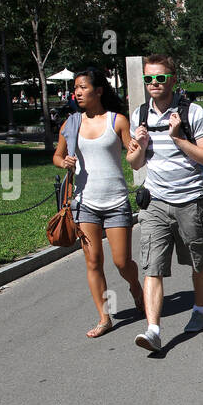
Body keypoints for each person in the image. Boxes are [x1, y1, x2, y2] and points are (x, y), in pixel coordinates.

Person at [126, 56, 203, 352]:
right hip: (154, 202)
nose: (153, 84)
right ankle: (153, 330)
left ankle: (200, 310)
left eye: (160, 78)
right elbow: (135, 163)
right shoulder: (140, 114)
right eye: (149, 79)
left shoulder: (192, 112)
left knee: (198, 261)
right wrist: (140, 146)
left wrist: (177, 138)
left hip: (190, 201)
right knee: (152, 266)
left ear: (173, 79)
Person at [53, 65, 143, 339]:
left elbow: (132, 153)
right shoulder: (71, 124)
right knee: (93, 261)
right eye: (75, 88)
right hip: (84, 203)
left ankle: (136, 288)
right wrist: (63, 161)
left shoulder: (117, 120)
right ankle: (105, 318)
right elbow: (57, 156)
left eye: (82, 87)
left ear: (98, 91)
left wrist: (137, 146)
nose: (77, 92)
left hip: (115, 201)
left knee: (121, 261)